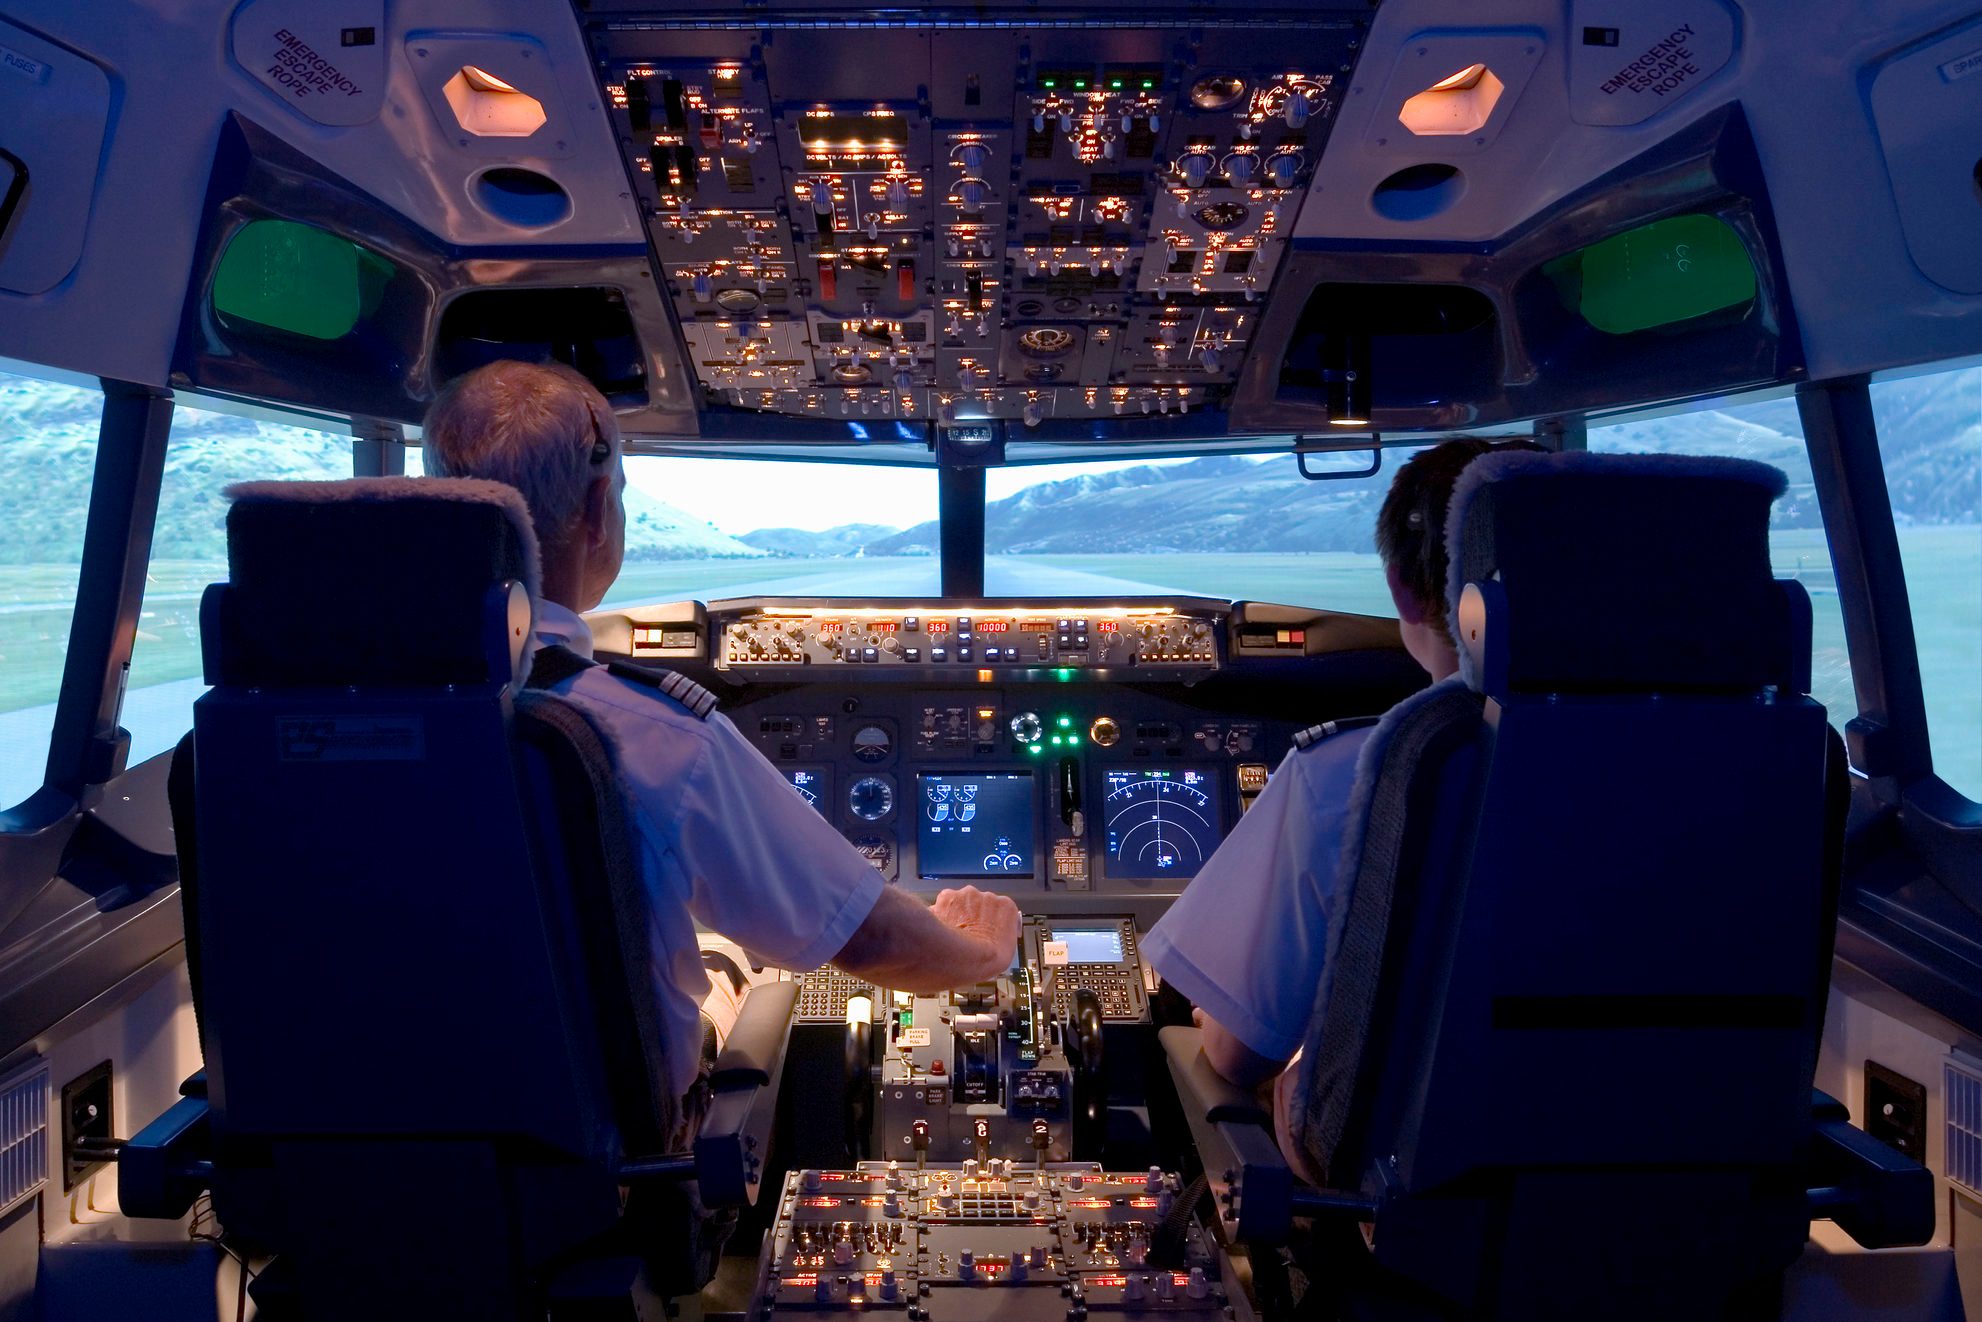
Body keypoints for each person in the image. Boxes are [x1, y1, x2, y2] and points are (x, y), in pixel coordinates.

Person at [421, 359, 1022, 1107]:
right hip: (599, 1198)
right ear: (596, 507)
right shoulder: (651, 735)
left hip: (312, 1194)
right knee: (737, 970)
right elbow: (871, 940)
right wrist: (984, 952)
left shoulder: (287, 728)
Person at [1141, 436, 1537, 1178]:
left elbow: (1235, 1051)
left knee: (1202, 1041)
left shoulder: (1369, 770)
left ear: (1404, 591)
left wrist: (1215, 1018)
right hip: (1686, 1189)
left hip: (1420, 1205)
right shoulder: (1753, 757)